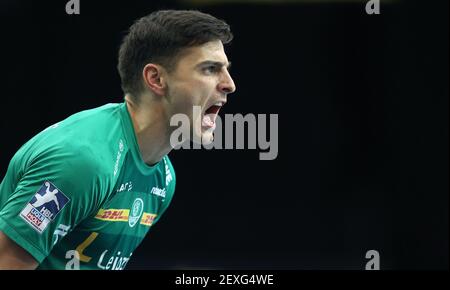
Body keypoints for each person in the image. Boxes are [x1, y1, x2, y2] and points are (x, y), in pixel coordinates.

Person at [0, 9, 236, 270]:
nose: (229, 84)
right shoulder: (82, 161)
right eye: (210, 69)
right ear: (156, 79)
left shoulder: (163, 179)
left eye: (225, 70)